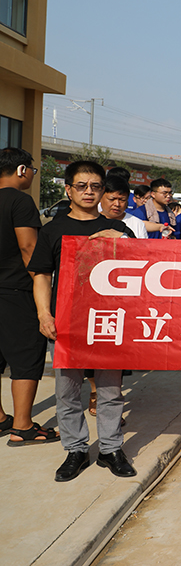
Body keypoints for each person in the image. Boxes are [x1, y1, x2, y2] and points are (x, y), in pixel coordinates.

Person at [28, 161, 135, 482]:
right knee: (68, 391)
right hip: (67, 322)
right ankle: (75, 449)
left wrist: (119, 239)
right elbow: (41, 276)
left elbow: (143, 265)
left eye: (95, 186)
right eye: (81, 186)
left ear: (103, 190)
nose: (89, 192)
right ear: (68, 190)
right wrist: (44, 313)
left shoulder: (118, 228)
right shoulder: (53, 230)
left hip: (109, 321)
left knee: (110, 391)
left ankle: (111, 449)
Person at [0, 148, 59, 445]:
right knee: (26, 355)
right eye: (33, 170)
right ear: (21, 170)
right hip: (15, 289)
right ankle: (22, 427)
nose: (33, 176)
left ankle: (0, 418)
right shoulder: (20, 201)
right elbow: (29, 248)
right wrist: (41, 284)